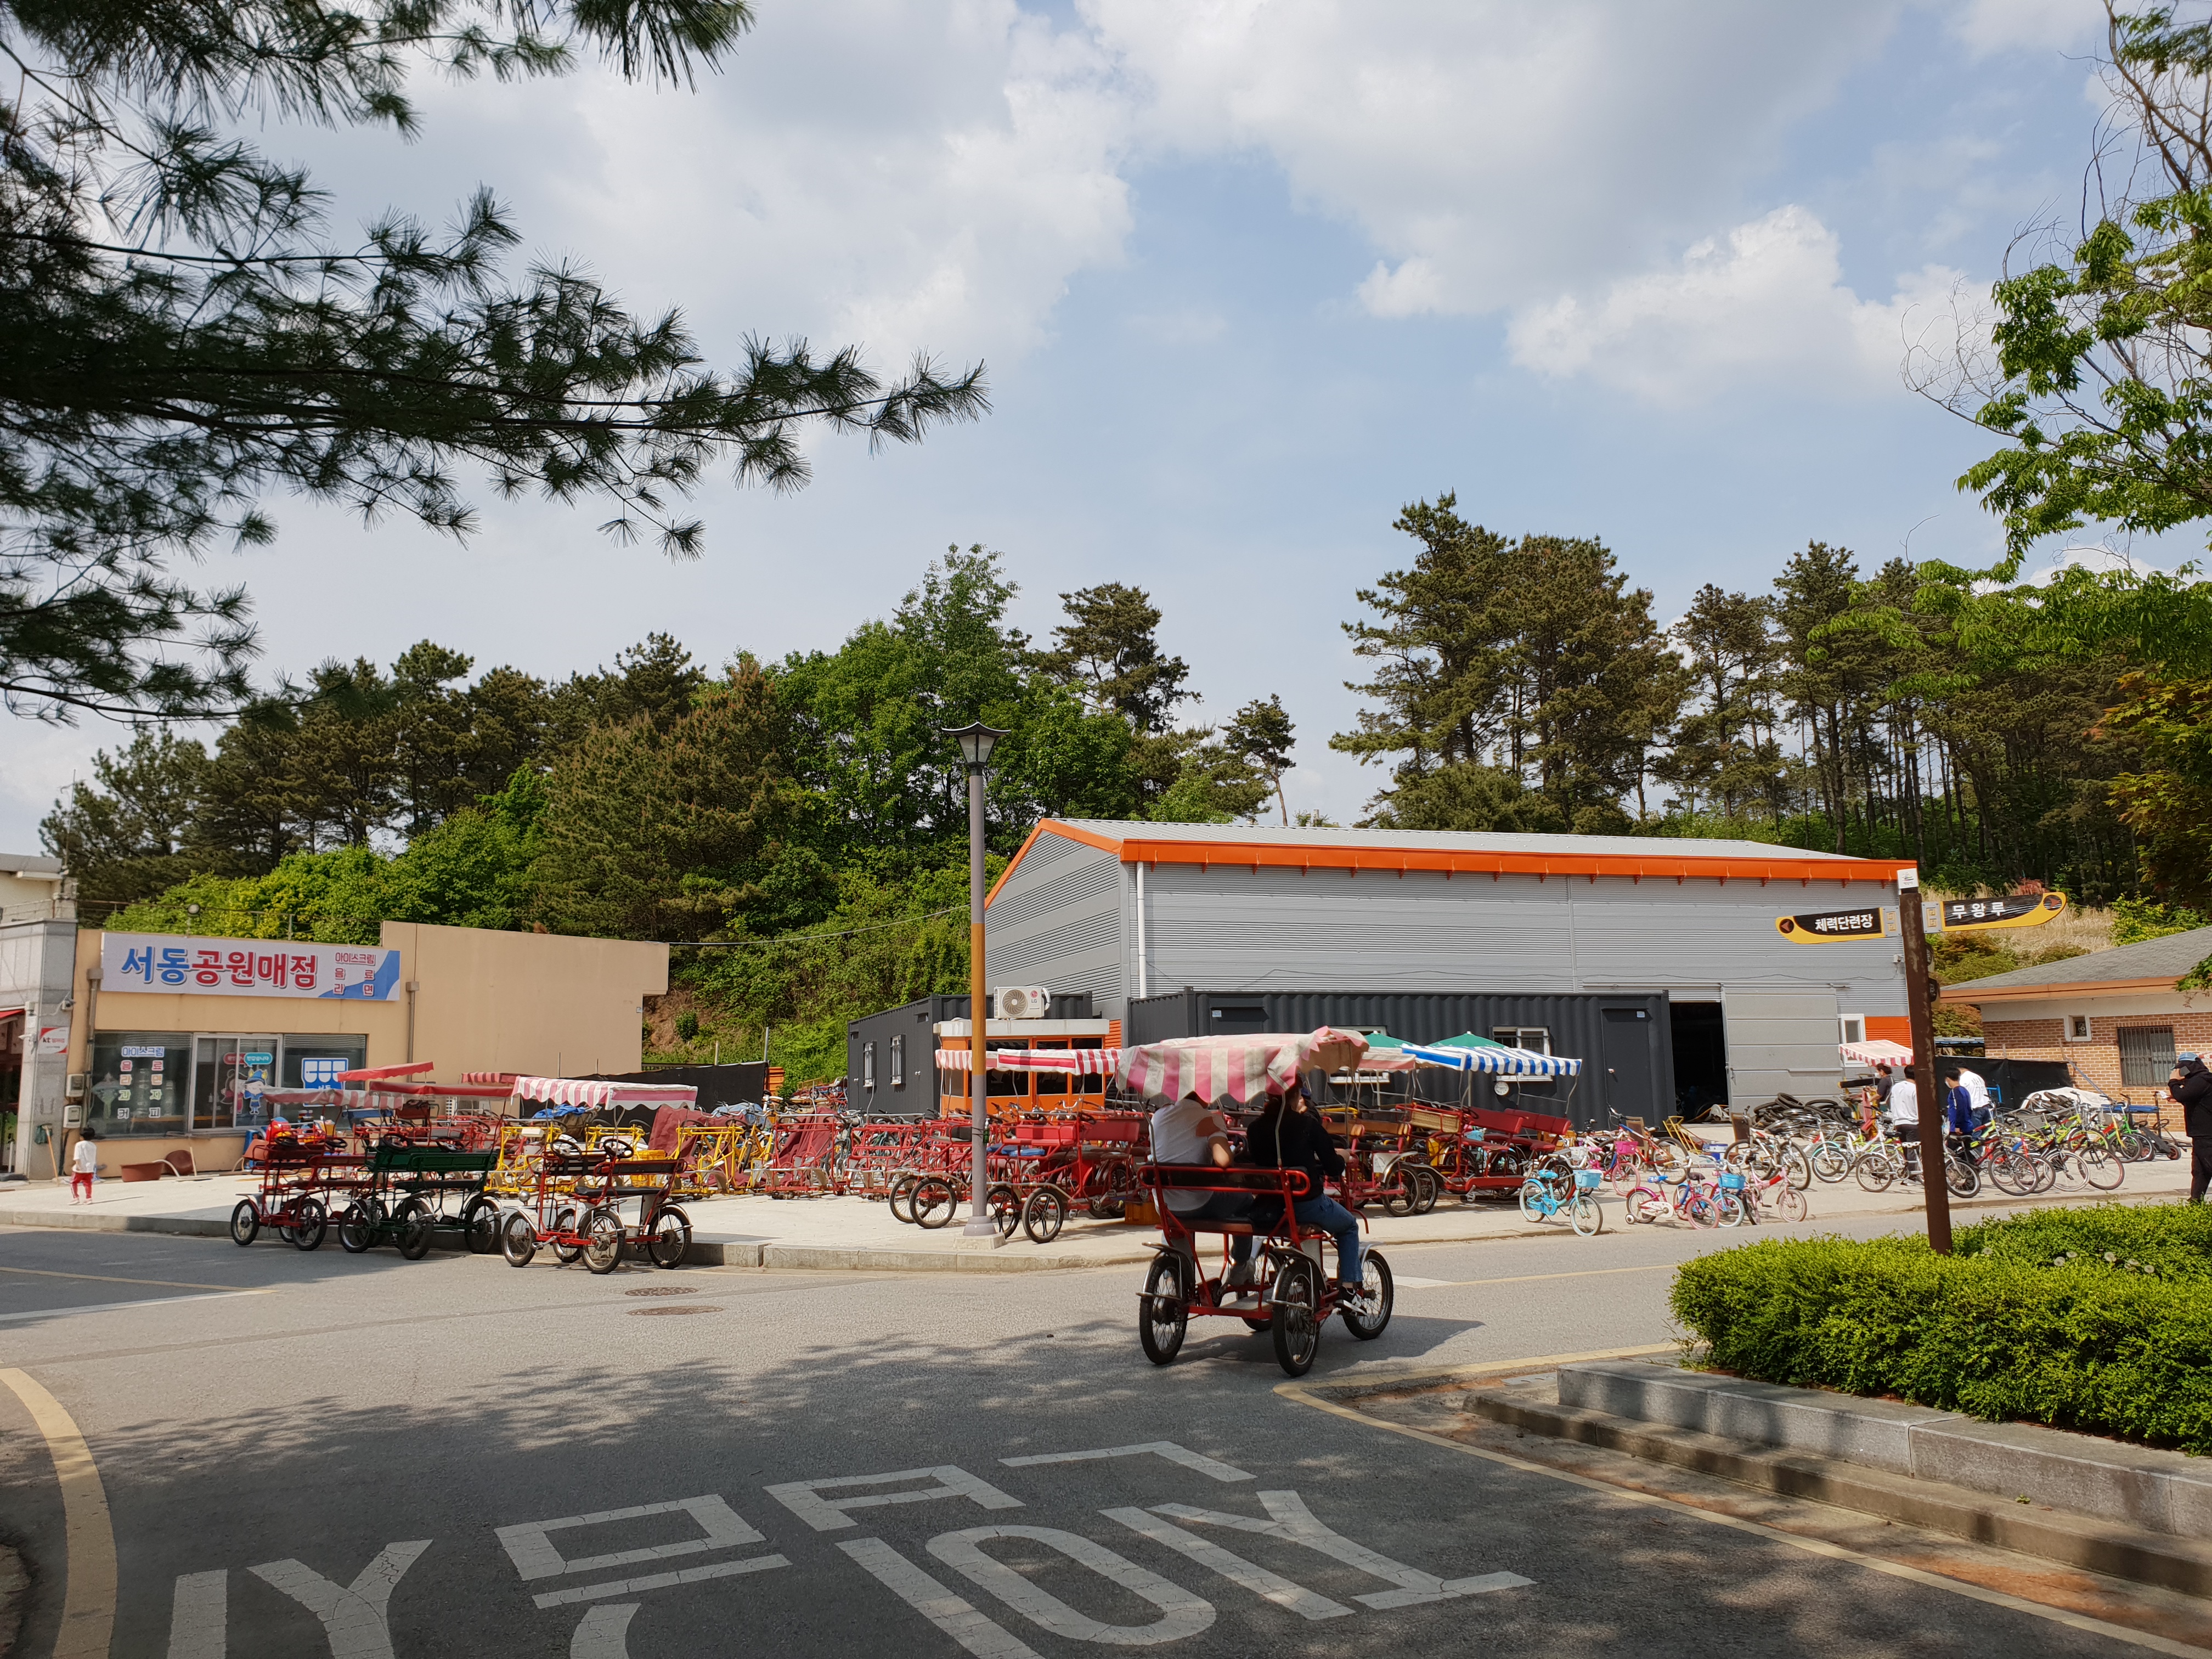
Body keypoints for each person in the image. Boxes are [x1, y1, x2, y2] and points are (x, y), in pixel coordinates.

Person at [1241, 1081, 1371, 1308]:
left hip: (1269, 1206)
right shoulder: (1307, 1125)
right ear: (1296, 1096)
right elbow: (1333, 1167)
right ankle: (1349, 1290)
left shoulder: (1255, 1128)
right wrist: (1343, 1157)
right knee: (1349, 1226)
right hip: (1305, 1204)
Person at [1148, 1092, 1256, 1293]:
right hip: (1199, 1203)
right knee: (1245, 1199)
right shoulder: (1209, 1119)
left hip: (1165, 1205)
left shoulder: (1158, 1117)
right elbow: (1223, 1160)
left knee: (1174, 1215)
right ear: (1205, 1094)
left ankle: (1174, 1278)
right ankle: (1240, 1265)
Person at [2168, 1054, 2212, 1204]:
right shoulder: (2200, 1080)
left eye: (2184, 1068)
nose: (2182, 1071)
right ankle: (2195, 1201)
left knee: (2208, 1165)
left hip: (2206, 1133)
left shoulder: (2201, 1080)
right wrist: (2179, 1097)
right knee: (2199, 1170)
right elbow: (2195, 1100)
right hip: (2200, 1133)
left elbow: (2183, 1095)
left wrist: (2173, 1082)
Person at [1887, 1068, 1920, 1177]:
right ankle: (1911, 1175)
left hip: (1899, 1122)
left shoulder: (1896, 1087)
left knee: (1906, 1149)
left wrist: (1894, 1120)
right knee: (1913, 1150)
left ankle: (1907, 1173)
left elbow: (1892, 1105)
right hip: (1913, 1122)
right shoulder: (1916, 1089)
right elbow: (1918, 1107)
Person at [69, 1127, 98, 1204]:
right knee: (88, 1183)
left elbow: (77, 1156)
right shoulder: (93, 1146)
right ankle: (89, 1198)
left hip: (80, 1168)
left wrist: (78, 1165)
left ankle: (76, 1198)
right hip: (90, 1169)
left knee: (73, 1182)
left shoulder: (79, 1145)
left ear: (81, 1137)